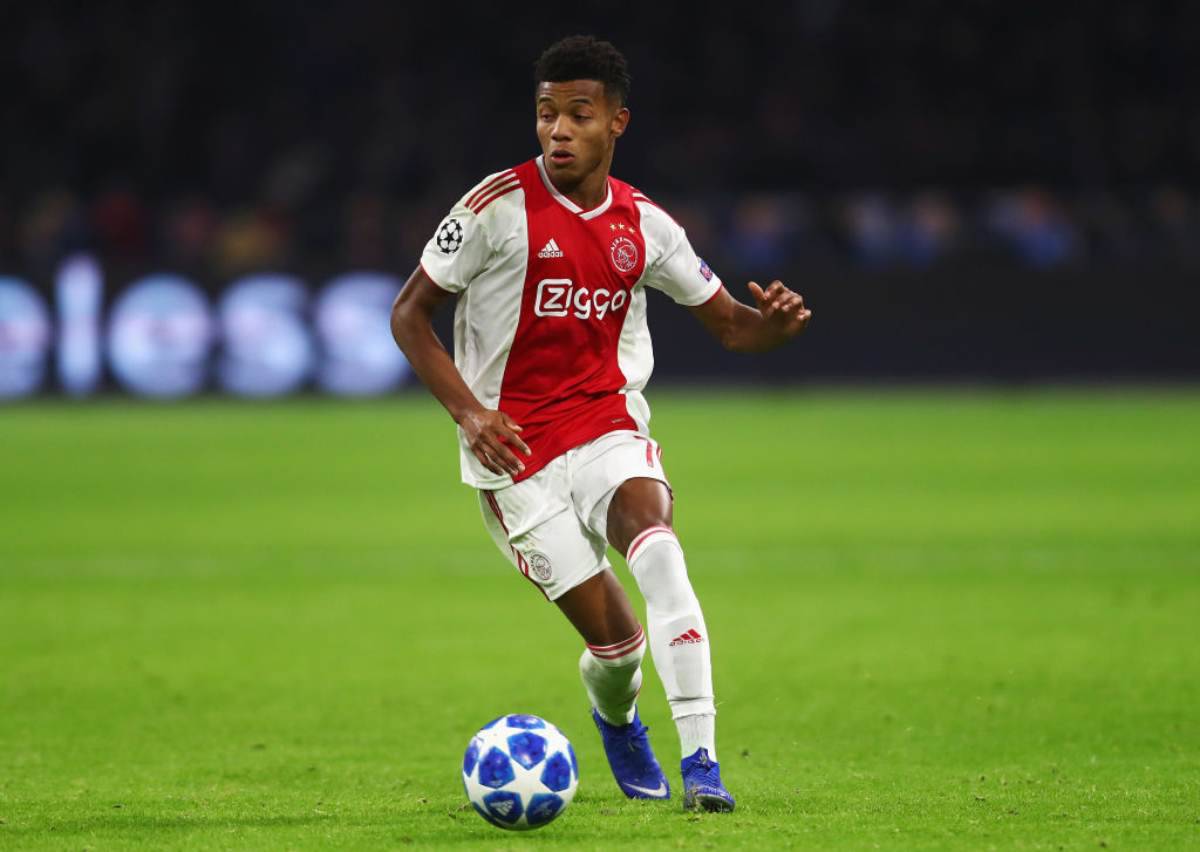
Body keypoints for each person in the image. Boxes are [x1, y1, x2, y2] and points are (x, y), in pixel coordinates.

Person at [390, 35, 811, 812]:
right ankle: (617, 717)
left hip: (605, 427)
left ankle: (703, 766)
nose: (558, 130)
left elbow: (732, 325)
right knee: (618, 648)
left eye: (578, 115)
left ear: (617, 122)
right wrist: (471, 413)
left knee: (660, 552)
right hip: (514, 456)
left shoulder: (645, 224)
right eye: (546, 113)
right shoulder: (492, 208)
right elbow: (409, 314)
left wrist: (774, 329)